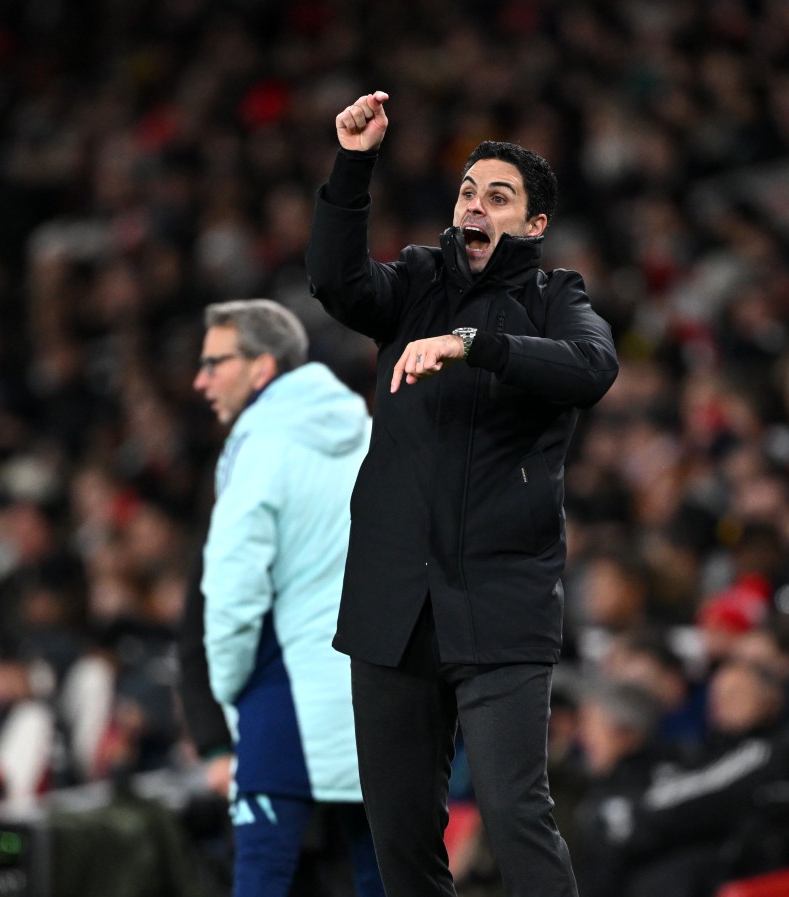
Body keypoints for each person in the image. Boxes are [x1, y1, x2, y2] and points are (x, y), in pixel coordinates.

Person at [305, 91, 619, 897]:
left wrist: (476, 346)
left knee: (516, 812)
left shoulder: (557, 300)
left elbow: (592, 370)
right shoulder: (414, 282)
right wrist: (353, 163)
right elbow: (335, 282)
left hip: (500, 600)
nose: (476, 205)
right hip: (392, 602)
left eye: (499, 197)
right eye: (468, 192)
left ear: (534, 225)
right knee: (401, 833)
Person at [193, 299, 383, 897]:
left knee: (261, 880)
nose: (201, 381)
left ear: (263, 366)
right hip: (379, 687)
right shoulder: (372, 435)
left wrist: (228, 688)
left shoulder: (260, 447)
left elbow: (231, 587)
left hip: (283, 691)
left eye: (215, 363)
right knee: (388, 876)